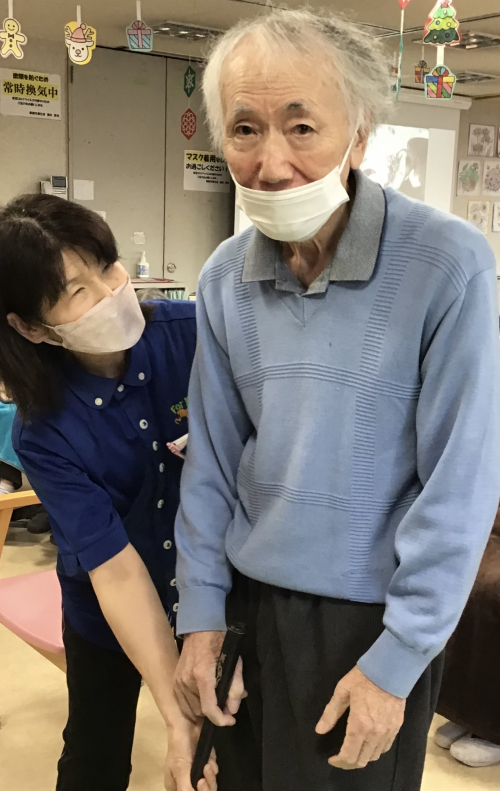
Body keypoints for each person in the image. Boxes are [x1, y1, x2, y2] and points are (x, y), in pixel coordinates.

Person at [173, 9, 500, 791]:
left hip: (368, 623)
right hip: (249, 605)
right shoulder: (223, 277)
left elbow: (460, 484)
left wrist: (399, 657)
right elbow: (211, 464)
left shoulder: (448, 264)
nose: (271, 162)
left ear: (358, 135)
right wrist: (201, 614)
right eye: (244, 129)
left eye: (301, 127)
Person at [0, 195, 216, 791]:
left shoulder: (194, 336)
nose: (112, 291)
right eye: (77, 291)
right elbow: (115, 571)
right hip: (109, 610)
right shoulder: (44, 429)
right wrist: (174, 715)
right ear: (30, 327)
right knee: (95, 753)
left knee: (227, 748)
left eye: (108, 267)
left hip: (212, 599)